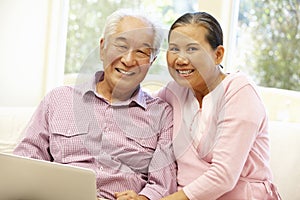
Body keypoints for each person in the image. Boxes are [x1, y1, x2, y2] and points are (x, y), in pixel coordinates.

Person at [13, 9, 177, 200]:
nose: (128, 60)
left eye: (141, 51)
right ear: (102, 48)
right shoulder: (58, 100)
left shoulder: (162, 115)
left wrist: (143, 198)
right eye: (121, 46)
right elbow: (24, 161)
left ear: (152, 61)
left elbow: (163, 184)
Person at [156, 12, 281, 199]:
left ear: (218, 55)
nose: (180, 60)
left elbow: (224, 175)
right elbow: (141, 111)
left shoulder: (239, 91)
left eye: (192, 49)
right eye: (174, 49)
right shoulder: (174, 91)